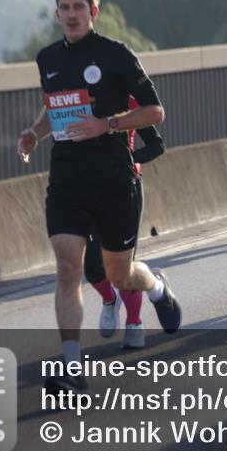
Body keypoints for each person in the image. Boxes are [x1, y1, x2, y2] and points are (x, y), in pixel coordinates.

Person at [17, 0, 181, 395]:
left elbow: (154, 112)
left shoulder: (115, 54)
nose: (71, 14)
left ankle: (157, 287)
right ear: (56, 14)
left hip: (114, 178)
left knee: (120, 274)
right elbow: (54, 106)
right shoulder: (47, 57)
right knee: (68, 267)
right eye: (64, 8)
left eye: (79, 7)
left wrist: (107, 124)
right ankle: (73, 368)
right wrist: (36, 133)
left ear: (93, 11)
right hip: (68, 179)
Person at [89, 98, 165, 350]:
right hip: (85, 188)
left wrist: (128, 158)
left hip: (125, 186)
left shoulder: (128, 98)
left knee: (124, 268)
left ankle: (134, 323)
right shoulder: (75, 97)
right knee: (93, 268)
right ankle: (110, 301)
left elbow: (156, 145)